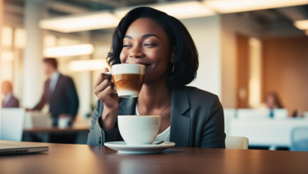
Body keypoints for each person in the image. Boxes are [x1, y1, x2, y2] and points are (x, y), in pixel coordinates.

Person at [87, 7, 225, 148]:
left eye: (149, 44)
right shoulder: (106, 104)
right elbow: (95, 159)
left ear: (173, 54)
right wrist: (109, 112)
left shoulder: (205, 106)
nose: (134, 53)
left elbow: (213, 164)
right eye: (127, 45)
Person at [31, 58, 79, 127]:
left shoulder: (66, 80)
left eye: (44, 66)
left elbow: (74, 100)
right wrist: (32, 110)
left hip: (64, 121)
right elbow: (43, 101)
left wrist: (70, 116)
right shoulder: (46, 82)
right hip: (52, 119)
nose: (42, 69)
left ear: (49, 65)